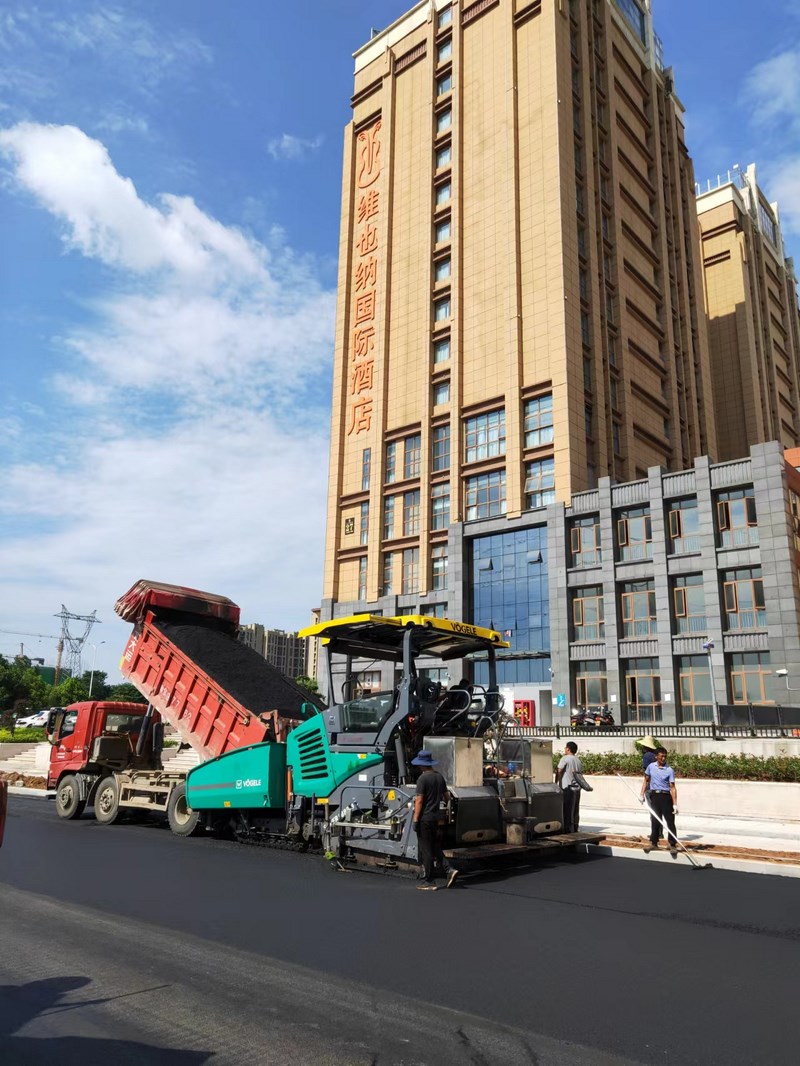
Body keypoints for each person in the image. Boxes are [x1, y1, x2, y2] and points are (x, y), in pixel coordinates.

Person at [412, 750, 458, 890]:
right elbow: (447, 797)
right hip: (436, 818)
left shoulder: (422, 779)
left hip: (424, 818)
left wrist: (415, 820)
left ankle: (429, 881)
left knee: (426, 849)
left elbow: (419, 801)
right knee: (434, 846)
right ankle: (449, 869)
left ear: (421, 765)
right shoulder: (439, 777)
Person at [640, 746, 679, 854]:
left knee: (670, 821)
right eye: (661, 756)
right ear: (656, 756)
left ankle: (672, 844)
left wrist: (675, 804)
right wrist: (641, 794)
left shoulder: (669, 770)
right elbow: (646, 780)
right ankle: (653, 843)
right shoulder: (651, 767)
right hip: (655, 796)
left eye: (665, 756)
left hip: (666, 797)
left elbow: (672, 787)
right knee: (655, 820)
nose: (663, 758)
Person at [555, 741, 583, 834]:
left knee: (567, 810)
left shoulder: (565, 758)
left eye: (565, 748)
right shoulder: (578, 760)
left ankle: (568, 830)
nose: (564, 749)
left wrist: (556, 782)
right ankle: (575, 828)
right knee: (575, 810)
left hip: (567, 788)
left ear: (568, 749)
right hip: (577, 788)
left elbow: (559, 770)